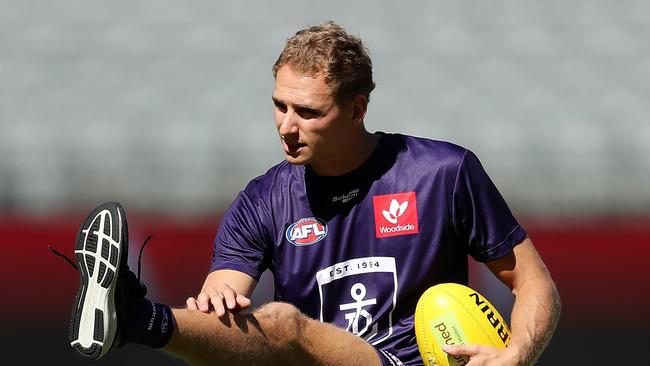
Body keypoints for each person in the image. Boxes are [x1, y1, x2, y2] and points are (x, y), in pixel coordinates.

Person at [65, 21, 560, 366]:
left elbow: (534, 283)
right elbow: (227, 292)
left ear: (357, 109)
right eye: (279, 105)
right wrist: (217, 298)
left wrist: (516, 352)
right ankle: (127, 318)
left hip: (407, 362)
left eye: (307, 112)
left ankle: (133, 319)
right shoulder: (262, 199)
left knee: (283, 321)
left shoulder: (442, 173)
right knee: (268, 325)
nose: (286, 126)